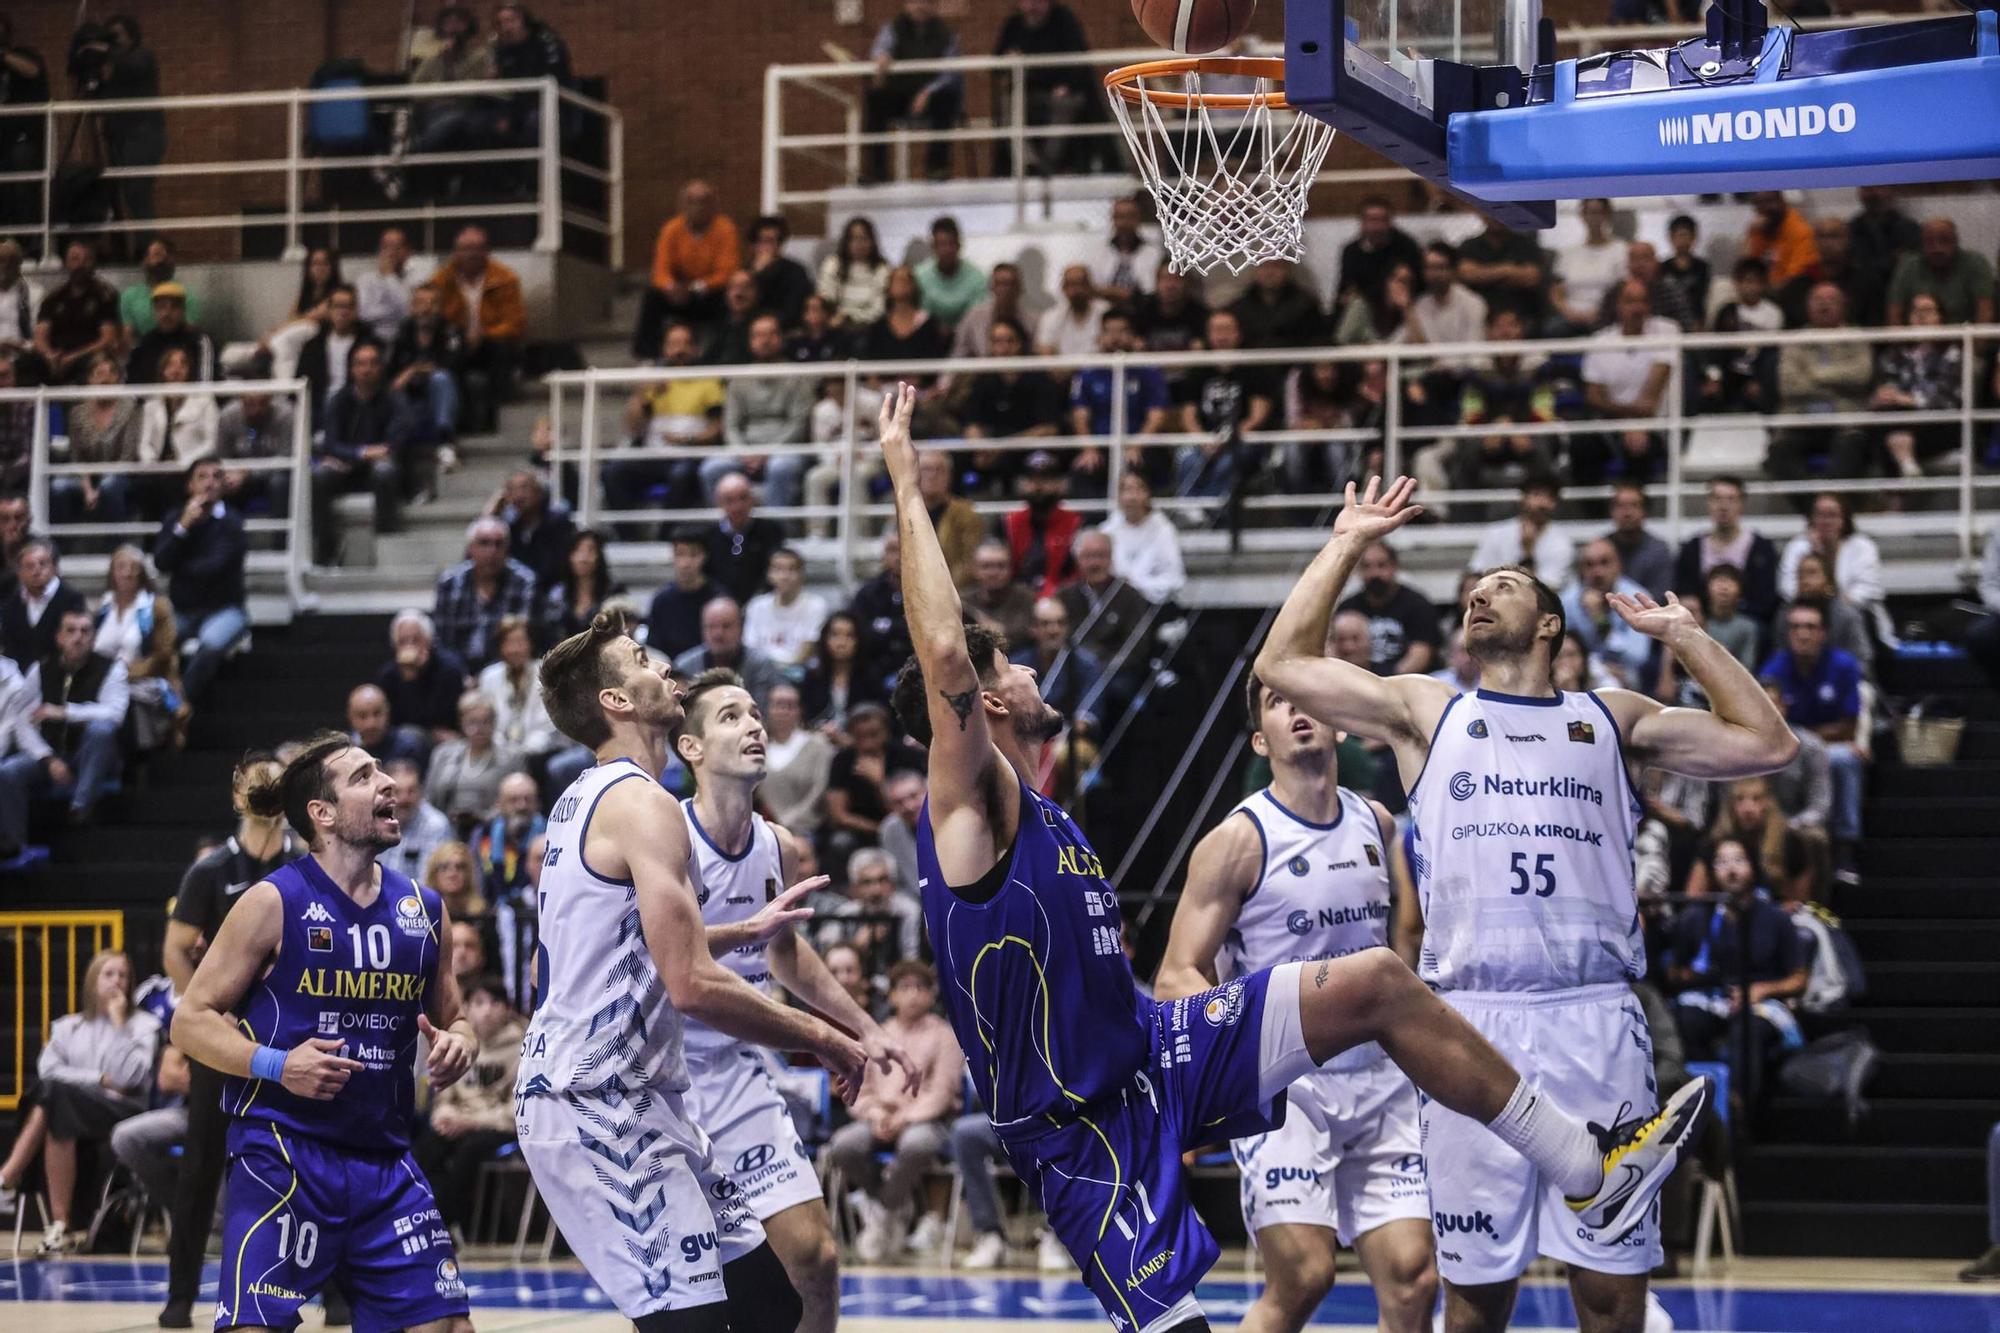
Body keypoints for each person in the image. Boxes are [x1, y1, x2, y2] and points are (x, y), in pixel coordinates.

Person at [885, 384, 1710, 1333]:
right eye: (1012, 669)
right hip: (1078, 1129)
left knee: (1379, 981)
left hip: (1154, 1054)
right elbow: (946, 650)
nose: (1031, 669)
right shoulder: (973, 806)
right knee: (1275, 1292)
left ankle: (1585, 1164)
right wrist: (910, 485)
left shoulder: (1048, 810)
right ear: (985, 706)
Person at [1256, 474, 1794, 1333]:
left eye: (1502, 586)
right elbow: (1280, 665)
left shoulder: (1611, 717)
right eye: (1474, 589)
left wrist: (1687, 636)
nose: (1480, 593)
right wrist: (1347, 540)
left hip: (1594, 1018)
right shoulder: (1427, 709)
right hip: (1472, 1022)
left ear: (1549, 623)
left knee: (1613, 1298)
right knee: (1474, 1303)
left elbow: (1768, 741)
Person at [518, 613, 869, 1331]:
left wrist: (743, 928)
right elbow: (690, 983)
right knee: (696, 1323)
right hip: (595, 1099)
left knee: (773, 1301)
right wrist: (827, 1036)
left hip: (647, 1093)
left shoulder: (583, 799)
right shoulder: (644, 803)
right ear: (616, 701)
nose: (662, 666)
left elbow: (583, 952)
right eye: (642, 658)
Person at [168, 734, 479, 1333]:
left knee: (448, 1326)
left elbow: (454, 1016)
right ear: (323, 814)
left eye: (382, 771)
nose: (387, 782)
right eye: (364, 777)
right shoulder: (272, 901)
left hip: (384, 1159)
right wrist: (277, 1065)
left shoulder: (426, 908)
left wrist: (459, 1039)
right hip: (285, 1151)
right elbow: (191, 1018)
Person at [1156, 674, 1434, 1333]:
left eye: (1307, 700)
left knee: (1415, 1277)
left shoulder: (1379, 820)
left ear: (1338, 722)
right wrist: (1247, 1050)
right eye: (1278, 705)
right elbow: (1176, 974)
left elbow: (1408, 933)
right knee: (1305, 1275)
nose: (1296, 712)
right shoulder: (1239, 839)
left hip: (1379, 1077)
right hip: (1290, 1085)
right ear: (1262, 738)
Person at [673, 670, 921, 1331]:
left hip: (739, 1075)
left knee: (815, 1256)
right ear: (690, 746)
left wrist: (862, 1025)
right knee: (701, 1288)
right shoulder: (667, 839)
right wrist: (816, 1033)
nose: (753, 725)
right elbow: (680, 971)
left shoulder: (776, 844)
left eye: (756, 713)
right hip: (663, 1083)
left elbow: (783, 951)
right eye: (730, 716)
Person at [154, 752, 302, 1326]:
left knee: (308, 1164)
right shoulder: (211, 870)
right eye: (258, 783)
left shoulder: (303, 865)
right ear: (238, 794)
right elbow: (174, 948)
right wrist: (206, 1013)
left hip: (289, 1041)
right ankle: (179, 1297)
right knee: (200, 1169)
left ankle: (332, 1294)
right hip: (224, 1042)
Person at [0, 950, 156, 1255]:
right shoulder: (68, 1027)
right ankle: (59, 1225)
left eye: (123, 975)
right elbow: (48, 1071)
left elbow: (128, 1078)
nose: (117, 982)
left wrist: (120, 1023)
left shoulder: (144, 1026)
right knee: (54, 1099)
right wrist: (98, 1079)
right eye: (109, 974)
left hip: (127, 1113)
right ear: (92, 981)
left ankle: (7, 1178)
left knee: (56, 1097)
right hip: (73, 1110)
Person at [819, 960, 963, 1261]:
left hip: (926, 1119)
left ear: (932, 995)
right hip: (879, 1118)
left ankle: (882, 1212)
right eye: (905, 988)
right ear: (892, 995)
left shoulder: (945, 1035)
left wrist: (904, 1118)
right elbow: (860, 1088)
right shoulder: (877, 1033)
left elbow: (942, 1092)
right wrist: (875, 1114)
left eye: (920, 988)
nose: (913, 995)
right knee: (844, 1145)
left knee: (917, 1144)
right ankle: (895, 1204)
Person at [1667, 836, 1808, 1088]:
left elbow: (1799, 978)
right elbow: (1675, 971)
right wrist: (1685, 975)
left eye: (1739, 861)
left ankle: (1740, 1109)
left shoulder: (1776, 918)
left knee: (1747, 1029)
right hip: (1710, 998)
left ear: (1753, 867)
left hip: (1761, 1003)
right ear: (1712, 871)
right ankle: (1701, 1097)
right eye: (1722, 862)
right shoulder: (1696, 917)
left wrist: (1761, 989)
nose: (1731, 870)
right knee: (1684, 1020)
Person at [1760, 601, 1867, 882]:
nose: (1803, 634)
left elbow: (1849, 726)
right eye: (1795, 627)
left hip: (1822, 744)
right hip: (1787, 742)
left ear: (1823, 633)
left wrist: (1804, 738)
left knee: (1844, 760)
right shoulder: (1774, 667)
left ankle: (1846, 848)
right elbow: (1765, 718)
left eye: (1810, 627)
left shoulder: (1843, 665)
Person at [410, 976, 523, 1232]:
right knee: (426, 1146)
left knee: (469, 1151)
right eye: (479, 1002)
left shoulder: (522, 1046)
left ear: (507, 1009)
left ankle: (445, 1222)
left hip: (496, 1126)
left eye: (495, 1003)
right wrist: (445, 1115)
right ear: (467, 1008)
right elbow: (444, 1094)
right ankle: (419, 1217)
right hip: (458, 1121)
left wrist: (472, 1122)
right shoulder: (461, 1044)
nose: (487, 1010)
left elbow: (517, 1109)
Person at [151, 458, 248, 701]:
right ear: (190, 485)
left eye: (216, 477)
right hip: (183, 610)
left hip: (224, 609)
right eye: (202, 477)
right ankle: (148, 698)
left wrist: (180, 566)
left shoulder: (232, 522)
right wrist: (184, 526)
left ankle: (179, 703)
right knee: (152, 639)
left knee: (211, 644)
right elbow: (161, 562)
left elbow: (214, 567)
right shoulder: (175, 519)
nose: (210, 483)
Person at [314, 341, 419, 564]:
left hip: (375, 469)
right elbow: (330, 444)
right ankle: (326, 551)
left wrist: (354, 455)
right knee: (320, 475)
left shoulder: (395, 398)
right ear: (351, 369)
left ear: (381, 368)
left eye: (372, 363)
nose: (367, 369)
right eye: (360, 364)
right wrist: (362, 453)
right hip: (348, 468)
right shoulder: (338, 400)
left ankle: (386, 543)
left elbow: (396, 442)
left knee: (385, 470)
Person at [1767, 284, 1875, 483]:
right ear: (1807, 305)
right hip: (1799, 419)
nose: (1824, 305)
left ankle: (1828, 504)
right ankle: (1817, 505)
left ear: (1844, 306)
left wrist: (1815, 375)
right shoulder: (1793, 341)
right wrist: (1837, 384)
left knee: (1852, 450)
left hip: (1844, 420)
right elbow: (1789, 386)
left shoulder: (1857, 337)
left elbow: (1861, 376)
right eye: (1818, 300)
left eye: (1831, 300)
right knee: (1779, 453)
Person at [1576, 280, 1675, 486]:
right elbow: (1593, 396)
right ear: (1618, 306)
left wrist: (1637, 424)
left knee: (1639, 447)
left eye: (1642, 301)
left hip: (1654, 424)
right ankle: (1596, 516)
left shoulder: (1667, 330)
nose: (1637, 308)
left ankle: (1638, 513)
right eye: (1630, 301)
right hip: (1612, 422)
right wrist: (1626, 418)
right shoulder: (1600, 341)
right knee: (1582, 446)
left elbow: (1649, 400)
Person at [429, 226, 525, 432]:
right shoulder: (440, 281)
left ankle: (493, 419)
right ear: (455, 253)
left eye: (477, 248)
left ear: (487, 251)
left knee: (502, 350)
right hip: (458, 341)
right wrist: (463, 338)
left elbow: (515, 323)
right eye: (465, 248)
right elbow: (437, 320)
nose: (471, 254)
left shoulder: (505, 278)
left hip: (492, 340)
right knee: (450, 357)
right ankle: (462, 422)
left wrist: (484, 336)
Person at [716, 315, 814, 508]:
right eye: (758, 335)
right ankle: (724, 532)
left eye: (771, 334)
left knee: (780, 468)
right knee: (712, 468)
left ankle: (774, 532)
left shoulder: (798, 377)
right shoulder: (739, 379)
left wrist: (767, 454)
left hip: (786, 450)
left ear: (781, 339)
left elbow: (798, 425)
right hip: (745, 449)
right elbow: (731, 425)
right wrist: (744, 452)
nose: (765, 340)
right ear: (751, 341)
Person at [1178, 308, 1274, 499]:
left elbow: (1257, 417)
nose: (1221, 336)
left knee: (1227, 463)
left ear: (1238, 333)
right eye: (1216, 330)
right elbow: (1188, 416)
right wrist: (1202, 440)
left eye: (1226, 329)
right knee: (1188, 460)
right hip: (1205, 439)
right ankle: (1192, 510)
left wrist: (1227, 438)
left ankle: (1206, 513)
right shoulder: (1198, 370)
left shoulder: (1255, 367)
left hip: (1242, 439)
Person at [863, 0, 964, 183]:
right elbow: (880, 49)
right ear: (906, 4)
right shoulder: (892, 28)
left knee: (948, 100)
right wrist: (881, 57)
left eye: (925, 2)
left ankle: (937, 168)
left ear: (933, 6)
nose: (920, 6)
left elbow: (950, 73)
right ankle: (876, 171)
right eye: (915, 1)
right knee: (876, 100)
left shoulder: (947, 33)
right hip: (901, 92)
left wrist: (927, 92)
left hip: (932, 95)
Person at [638, 180, 741, 357]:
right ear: (682, 205)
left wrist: (696, 287)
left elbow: (727, 272)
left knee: (729, 298)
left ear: (714, 205)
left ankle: (721, 355)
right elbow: (660, 271)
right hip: (678, 293)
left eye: (703, 201)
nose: (698, 207)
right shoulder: (671, 229)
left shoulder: (726, 229)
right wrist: (671, 287)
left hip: (709, 293)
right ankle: (647, 356)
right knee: (652, 296)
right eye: (692, 201)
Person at [1869, 290, 1964, 478]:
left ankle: (1897, 500)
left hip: (1939, 422)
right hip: (1898, 419)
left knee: (1890, 430)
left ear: (1941, 318)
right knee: (1885, 420)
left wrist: (1909, 400)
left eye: (1928, 310)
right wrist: (1883, 396)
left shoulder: (1953, 355)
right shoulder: (1894, 354)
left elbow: (1947, 400)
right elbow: (1887, 385)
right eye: (1915, 311)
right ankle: (1907, 464)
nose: (1921, 316)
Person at [1777, 492, 1886, 645]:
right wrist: (1817, 553)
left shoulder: (1862, 546)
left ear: (1844, 519)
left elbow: (1867, 590)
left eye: (1832, 515)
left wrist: (1833, 602)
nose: (1826, 521)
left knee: (1850, 615)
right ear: (1812, 518)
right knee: (1785, 615)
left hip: (1853, 612)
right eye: (1820, 515)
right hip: (1806, 609)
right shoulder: (1798, 546)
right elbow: (1787, 589)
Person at [434, 516, 539, 669]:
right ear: (471, 548)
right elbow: (442, 641)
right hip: (458, 672)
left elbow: (522, 640)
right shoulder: (449, 583)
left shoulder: (524, 582)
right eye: (484, 543)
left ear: (507, 549)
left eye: (499, 544)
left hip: (506, 671)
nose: (492, 551)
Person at [1674, 476, 1781, 623]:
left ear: (1742, 506)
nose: (1723, 506)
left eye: (1731, 499)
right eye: (1717, 499)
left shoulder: (1762, 548)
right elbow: (1684, 592)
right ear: (1709, 504)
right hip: (1700, 625)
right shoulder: (1692, 548)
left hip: (1748, 625)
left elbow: (1766, 599)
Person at [51, 352, 140, 528]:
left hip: (122, 475)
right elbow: (77, 457)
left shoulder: (130, 409)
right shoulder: (77, 413)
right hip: (88, 478)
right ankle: (63, 546)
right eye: (99, 374)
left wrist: (99, 490)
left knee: (109, 485)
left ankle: (116, 543)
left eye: (110, 374)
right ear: (90, 380)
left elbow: (128, 455)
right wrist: (88, 489)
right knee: (58, 486)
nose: (104, 379)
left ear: (117, 379)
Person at [373, 609, 473, 752]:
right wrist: (409, 678)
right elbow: (391, 721)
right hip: (400, 742)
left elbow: (439, 717)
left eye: (416, 640)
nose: (410, 646)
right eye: (403, 641)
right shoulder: (388, 675)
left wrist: (414, 678)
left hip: (446, 741)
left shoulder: (449, 668)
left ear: (429, 640)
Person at [1336, 541, 1440, 676]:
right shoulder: (1347, 607)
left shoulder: (1418, 605)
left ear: (1394, 567)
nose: (1374, 573)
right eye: (1367, 566)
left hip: (1404, 683)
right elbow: (1333, 650)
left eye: (1381, 565)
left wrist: (1387, 684)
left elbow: (1420, 655)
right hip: (1356, 681)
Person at [427, 690, 526, 829]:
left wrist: (482, 819)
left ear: (494, 722)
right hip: (447, 827)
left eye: (485, 722)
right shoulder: (443, 754)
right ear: (461, 723)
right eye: (472, 722)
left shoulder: (511, 757)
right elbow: (429, 799)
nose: (478, 729)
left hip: (494, 828)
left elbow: (519, 801)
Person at [1059, 530, 1153, 667]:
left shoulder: (1130, 596)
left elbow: (1137, 644)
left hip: (1117, 671)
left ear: (1111, 558)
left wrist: (1105, 665)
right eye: (1088, 556)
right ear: (1077, 559)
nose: (1095, 563)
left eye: (1101, 556)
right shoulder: (1063, 596)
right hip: (1075, 669)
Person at [674, 596, 786, 709]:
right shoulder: (685, 666)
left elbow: (760, 712)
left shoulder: (760, 665)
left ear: (741, 628)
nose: (718, 634)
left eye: (726, 626)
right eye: (711, 627)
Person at [33, 240, 119, 385]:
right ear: (66, 263)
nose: (80, 265)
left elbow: (107, 339)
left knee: (95, 366)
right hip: (55, 357)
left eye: (86, 259)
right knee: (27, 364)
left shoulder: (105, 296)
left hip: (86, 356)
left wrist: (72, 358)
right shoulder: (53, 297)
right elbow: (40, 338)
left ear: (94, 264)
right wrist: (49, 355)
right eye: (75, 259)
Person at [1467, 475, 1573, 592]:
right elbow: (1476, 574)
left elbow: (1546, 592)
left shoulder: (1561, 543)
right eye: (1536, 494)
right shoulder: (1496, 533)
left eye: (1550, 497)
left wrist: (1527, 552)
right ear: (1523, 498)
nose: (1542, 503)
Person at [1887, 217, 1995, 325]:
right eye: (1930, 241)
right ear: (1922, 244)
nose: (1937, 248)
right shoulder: (1909, 266)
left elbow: (1985, 311)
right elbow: (1894, 312)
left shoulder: (1975, 262)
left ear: (1956, 241)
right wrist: (1900, 341)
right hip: (1918, 338)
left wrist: (1974, 341)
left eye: (1944, 240)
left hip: (1965, 336)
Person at [1098, 470, 1184, 606]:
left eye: (1138, 489)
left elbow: (1175, 578)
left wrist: (1136, 584)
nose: (1131, 497)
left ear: (1147, 494)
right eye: (1126, 490)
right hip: (1115, 604)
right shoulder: (1107, 530)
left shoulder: (1164, 530)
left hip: (1154, 603)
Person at [761, 681, 834, 838]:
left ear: (800, 710)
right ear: (767, 710)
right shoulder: (759, 748)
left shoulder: (818, 746)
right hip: (767, 831)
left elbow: (820, 789)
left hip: (809, 830)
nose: (783, 711)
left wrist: (791, 821)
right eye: (777, 705)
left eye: (790, 706)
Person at [481, 617, 560, 760]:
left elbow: (548, 725)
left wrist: (523, 753)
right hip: (499, 752)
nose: (514, 649)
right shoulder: (489, 677)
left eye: (520, 642)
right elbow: (487, 721)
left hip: (539, 751)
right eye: (508, 642)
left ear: (530, 643)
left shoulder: (546, 672)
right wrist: (503, 749)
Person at [1, 538, 84, 671]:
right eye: (30, 566)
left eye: (42, 564)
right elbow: (9, 649)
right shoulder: (11, 605)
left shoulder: (71, 599)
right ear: (20, 573)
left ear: (54, 568)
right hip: (19, 682)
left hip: (60, 676)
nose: (37, 570)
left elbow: (76, 644)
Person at [648, 524, 727, 659]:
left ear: (705, 556)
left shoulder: (720, 600)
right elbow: (654, 648)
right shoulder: (662, 600)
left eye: (694, 554)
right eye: (680, 554)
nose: (686, 563)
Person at [1336, 195, 1425, 311]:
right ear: (1362, 222)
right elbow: (1345, 287)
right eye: (1372, 220)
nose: (1377, 227)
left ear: (1390, 222)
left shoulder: (1406, 247)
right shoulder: (1351, 251)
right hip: (1363, 308)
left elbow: (1417, 285)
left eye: (1382, 220)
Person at [743, 547, 828, 669]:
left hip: (799, 673)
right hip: (761, 673)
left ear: (801, 574)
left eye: (791, 569)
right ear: (769, 574)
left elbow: (807, 651)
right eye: (778, 569)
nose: (784, 576)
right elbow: (750, 649)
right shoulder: (756, 606)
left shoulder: (816, 605)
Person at [378, 758, 456, 886]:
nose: (404, 799)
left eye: (411, 791)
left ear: (421, 792)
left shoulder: (435, 825)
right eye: (397, 792)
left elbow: (429, 882)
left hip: (417, 900)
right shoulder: (375, 819)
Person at [540, 527, 622, 646]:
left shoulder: (614, 592)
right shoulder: (557, 594)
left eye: (590, 550)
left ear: (599, 556)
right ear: (569, 556)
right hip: (565, 656)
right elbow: (550, 635)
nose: (583, 558)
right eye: (577, 550)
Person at [1554, 198, 1625, 331]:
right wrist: (1567, 311)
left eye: (1598, 212)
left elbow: (1622, 288)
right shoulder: (1568, 253)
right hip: (1570, 316)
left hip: (1607, 315)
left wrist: (1601, 312)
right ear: (1582, 215)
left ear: (1607, 214)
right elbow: (1556, 292)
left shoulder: (1621, 250)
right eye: (1590, 212)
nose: (1594, 217)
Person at [127, 283, 216, 385]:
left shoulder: (200, 341)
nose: (167, 313)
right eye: (161, 307)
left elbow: (206, 386)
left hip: (194, 399)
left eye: (173, 307)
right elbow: (134, 385)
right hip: (154, 399)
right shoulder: (143, 344)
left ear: (183, 310)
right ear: (154, 311)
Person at [817, 217, 892, 331]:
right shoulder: (833, 264)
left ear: (872, 242)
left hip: (870, 327)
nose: (858, 244)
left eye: (864, 239)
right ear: (846, 242)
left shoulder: (882, 269)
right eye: (853, 239)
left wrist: (850, 317)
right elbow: (826, 299)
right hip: (835, 325)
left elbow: (879, 309)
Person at [1088, 196, 1164, 303]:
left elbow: (1151, 290)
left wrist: (1120, 293)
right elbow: (1094, 288)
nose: (1124, 222)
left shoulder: (1154, 253)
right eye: (1119, 217)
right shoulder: (1099, 252)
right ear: (1112, 219)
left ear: (1138, 219)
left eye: (1129, 217)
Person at [1604, 483, 1673, 601]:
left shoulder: (1659, 551)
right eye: (1621, 506)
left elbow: (1661, 597)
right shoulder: (1600, 549)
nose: (1627, 513)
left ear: (1645, 511)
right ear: (1612, 511)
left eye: (1634, 505)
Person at [745, 214, 814, 331]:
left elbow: (793, 311)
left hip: (785, 331)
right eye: (764, 241)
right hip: (750, 331)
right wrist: (757, 276)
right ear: (754, 245)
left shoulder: (796, 271)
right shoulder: (745, 273)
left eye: (774, 241)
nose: (769, 247)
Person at [965, 537, 1037, 647]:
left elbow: (1024, 635)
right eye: (986, 566)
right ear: (974, 569)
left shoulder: (1027, 599)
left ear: (1011, 569)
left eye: (1001, 566)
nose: (994, 573)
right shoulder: (964, 602)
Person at [1741, 191, 1820, 291]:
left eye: (1769, 201)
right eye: (1759, 203)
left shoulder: (1801, 231)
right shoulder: (1758, 230)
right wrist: (1751, 234)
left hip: (1791, 292)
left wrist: (1761, 291)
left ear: (1782, 202)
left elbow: (1795, 279)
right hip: (1762, 291)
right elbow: (1748, 269)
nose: (1764, 208)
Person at [356, 227, 419, 342]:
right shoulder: (366, 280)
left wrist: (389, 276)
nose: (391, 252)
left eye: (397, 247)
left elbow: (408, 311)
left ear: (407, 251)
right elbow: (363, 314)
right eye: (386, 247)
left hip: (405, 339)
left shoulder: (416, 279)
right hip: (370, 338)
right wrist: (394, 313)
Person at [1037, 263, 1110, 358]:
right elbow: (1045, 350)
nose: (1077, 290)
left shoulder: (1106, 311)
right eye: (1071, 285)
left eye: (1081, 284)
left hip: (1099, 370)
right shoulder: (1051, 317)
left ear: (1090, 286)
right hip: (1062, 370)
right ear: (1063, 289)